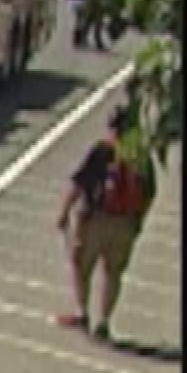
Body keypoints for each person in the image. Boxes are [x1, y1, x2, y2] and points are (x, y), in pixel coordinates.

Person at [58, 104, 156, 341]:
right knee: (113, 273)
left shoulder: (102, 150)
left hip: (95, 218)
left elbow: (80, 183)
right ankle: (104, 322)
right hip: (125, 223)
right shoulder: (140, 156)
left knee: (81, 266)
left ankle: (83, 314)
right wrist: (138, 221)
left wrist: (64, 212)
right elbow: (150, 191)